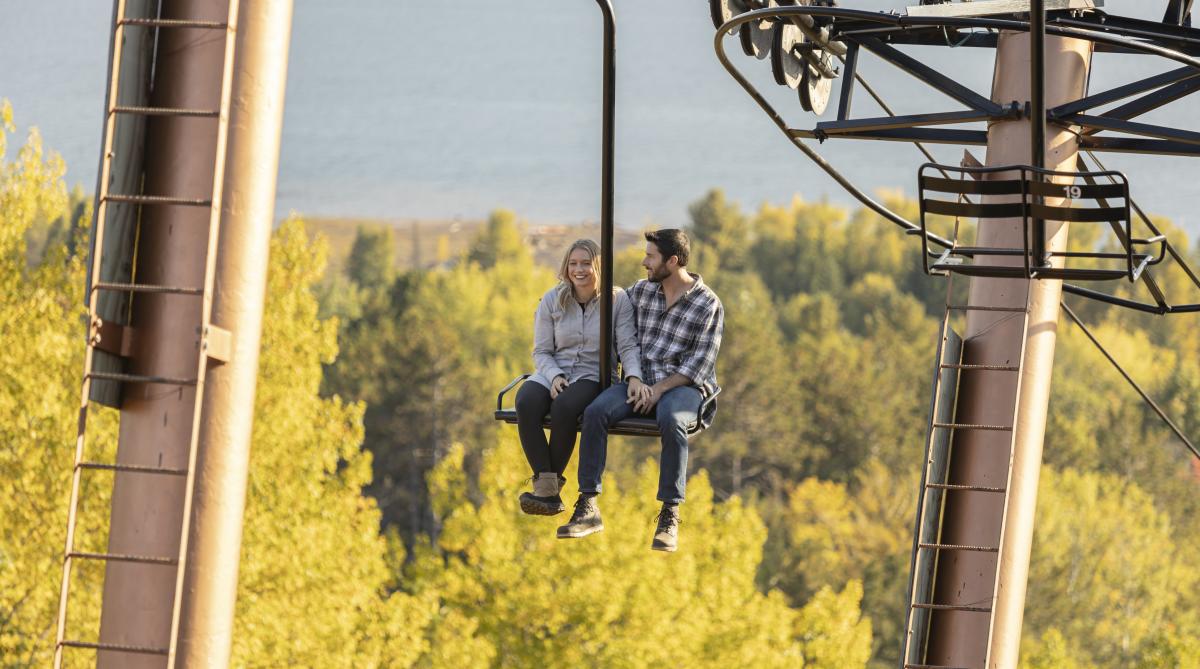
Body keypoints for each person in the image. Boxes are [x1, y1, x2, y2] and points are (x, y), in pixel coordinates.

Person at [557, 229, 723, 552]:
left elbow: (699, 365)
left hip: (682, 386)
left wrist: (658, 389)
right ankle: (588, 504)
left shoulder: (707, 304)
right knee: (595, 412)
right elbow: (608, 312)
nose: (644, 262)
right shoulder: (641, 292)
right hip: (638, 383)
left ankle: (669, 514)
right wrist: (559, 304)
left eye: (650, 257)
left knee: (672, 420)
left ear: (672, 261)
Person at [515, 239, 645, 515]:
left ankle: (547, 492)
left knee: (564, 406)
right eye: (573, 264)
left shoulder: (617, 300)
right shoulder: (552, 299)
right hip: (554, 369)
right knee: (525, 401)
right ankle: (548, 490)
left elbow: (627, 345)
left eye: (586, 263)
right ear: (566, 267)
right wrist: (554, 376)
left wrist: (633, 376)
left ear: (599, 266)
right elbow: (541, 351)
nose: (579, 270)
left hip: (592, 373)